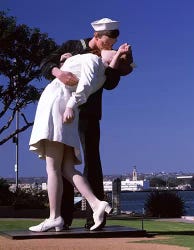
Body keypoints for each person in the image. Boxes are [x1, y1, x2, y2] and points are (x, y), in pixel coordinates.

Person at [39, 17, 133, 230]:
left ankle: (95, 218)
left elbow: (110, 83)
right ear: (96, 36)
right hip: (64, 112)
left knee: (92, 163)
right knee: (63, 164)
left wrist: (118, 59)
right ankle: (62, 218)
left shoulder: (109, 55)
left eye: (111, 44)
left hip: (89, 115)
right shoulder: (72, 46)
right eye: (106, 42)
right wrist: (59, 72)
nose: (109, 46)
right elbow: (45, 64)